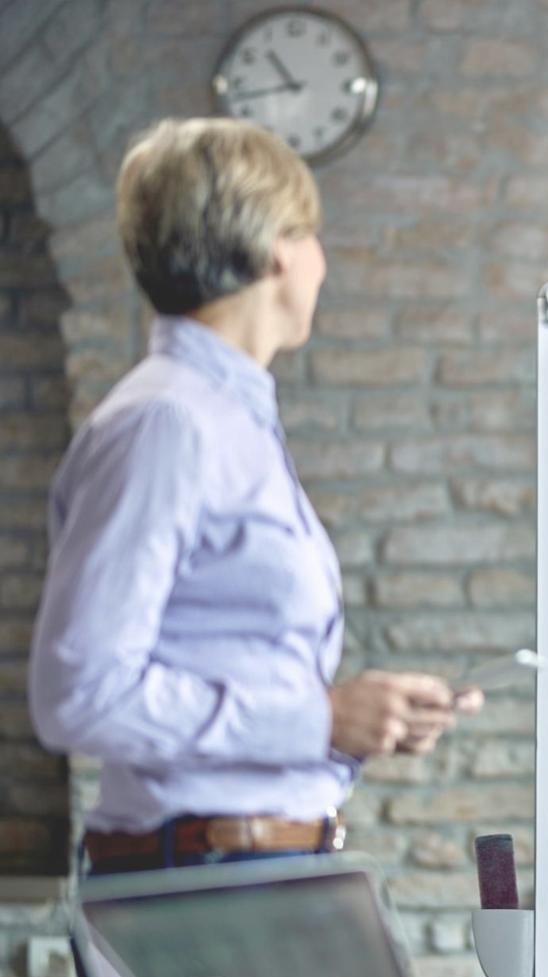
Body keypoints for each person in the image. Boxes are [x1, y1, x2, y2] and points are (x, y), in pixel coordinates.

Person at [29, 117, 482, 882]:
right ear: (278, 247)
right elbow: (78, 694)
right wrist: (321, 718)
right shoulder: (167, 423)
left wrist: (350, 726)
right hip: (201, 878)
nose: (322, 264)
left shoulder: (224, 417)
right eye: (313, 236)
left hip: (245, 870)